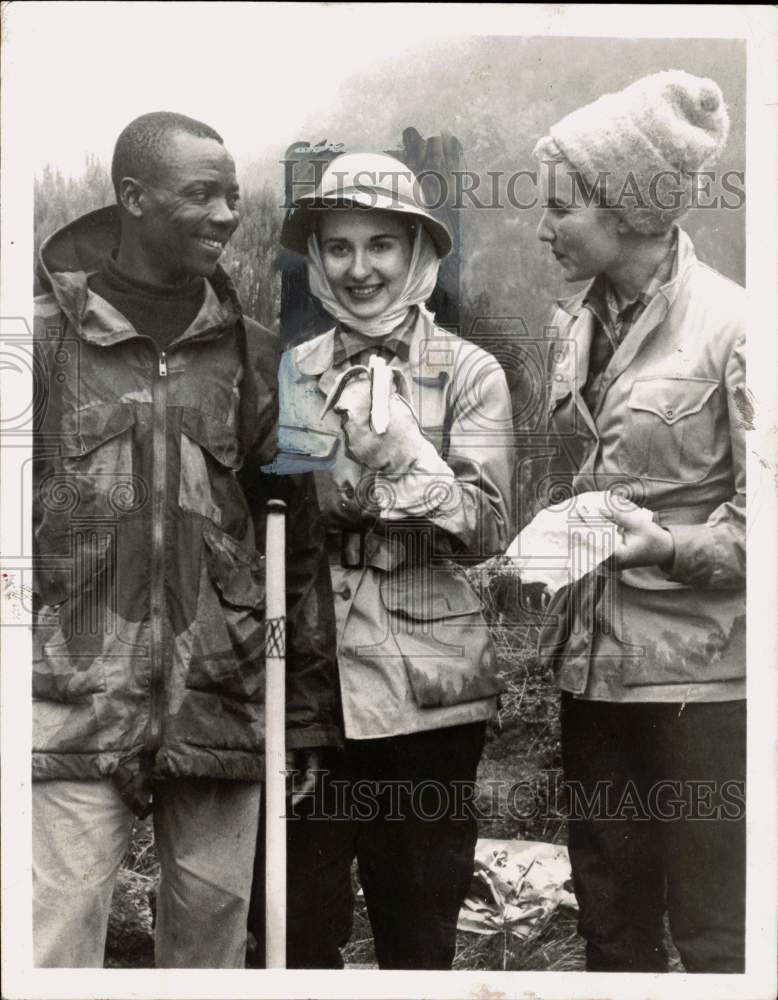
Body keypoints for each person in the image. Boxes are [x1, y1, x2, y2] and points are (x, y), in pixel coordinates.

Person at [32, 111, 340, 968]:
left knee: (208, 959)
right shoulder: (37, 346)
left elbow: (298, 552)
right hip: (67, 706)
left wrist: (301, 714)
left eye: (233, 197)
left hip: (221, 701)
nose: (226, 215)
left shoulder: (262, 357)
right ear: (133, 198)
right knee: (46, 951)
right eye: (199, 194)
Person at [256, 152, 515, 969]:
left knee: (418, 930)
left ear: (416, 254)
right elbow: (290, 543)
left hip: (427, 700)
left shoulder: (470, 372)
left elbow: (487, 528)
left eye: (380, 246)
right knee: (298, 931)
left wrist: (407, 459)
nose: (359, 268)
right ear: (318, 259)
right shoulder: (297, 372)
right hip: (317, 694)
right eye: (338, 247)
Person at [533, 71, 746, 972]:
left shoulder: (739, 327)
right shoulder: (569, 327)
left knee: (716, 929)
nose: (543, 228)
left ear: (623, 208)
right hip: (594, 682)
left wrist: (673, 546)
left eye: (560, 210)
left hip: (703, 688)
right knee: (610, 926)